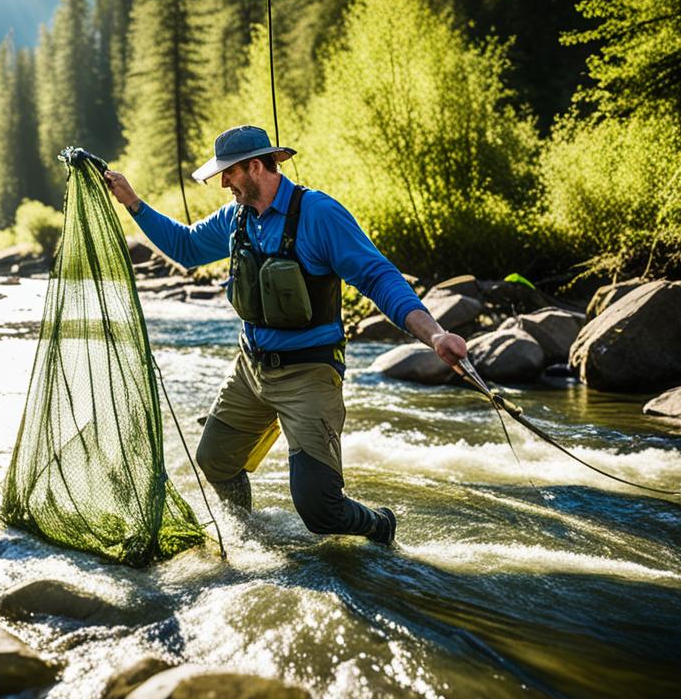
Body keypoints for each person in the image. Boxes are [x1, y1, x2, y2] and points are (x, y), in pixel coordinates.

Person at [104, 125, 467, 545]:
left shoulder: (318, 214)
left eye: (229, 173)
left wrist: (435, 334)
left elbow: (377, 276)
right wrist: (131, 202)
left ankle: (380, 524)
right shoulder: (236, 218)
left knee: (320, 510)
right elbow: (186, 249)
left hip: (309, 374)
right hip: (251, 370)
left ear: (256, 167)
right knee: (215, 460)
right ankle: (247, 538)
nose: (222, 182)